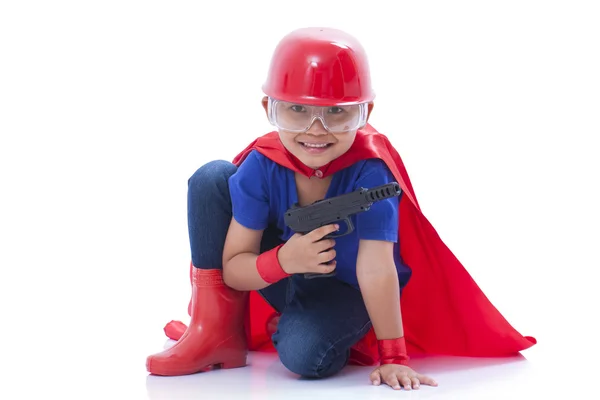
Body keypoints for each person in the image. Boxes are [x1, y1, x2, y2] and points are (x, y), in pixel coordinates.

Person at [145, 27, 536, 391]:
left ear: (365, 112)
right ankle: (214, 333)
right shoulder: (260, 167)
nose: (316, 129)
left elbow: (376, 269)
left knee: (305, 356)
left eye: (337, 112)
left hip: (350, 289)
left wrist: (393, 357)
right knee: (212, 177)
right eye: (296, 110)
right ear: (269, 107)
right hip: (285, 270)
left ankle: (303, 325)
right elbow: (233, 268)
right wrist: (284, 259)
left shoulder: (370, 173)